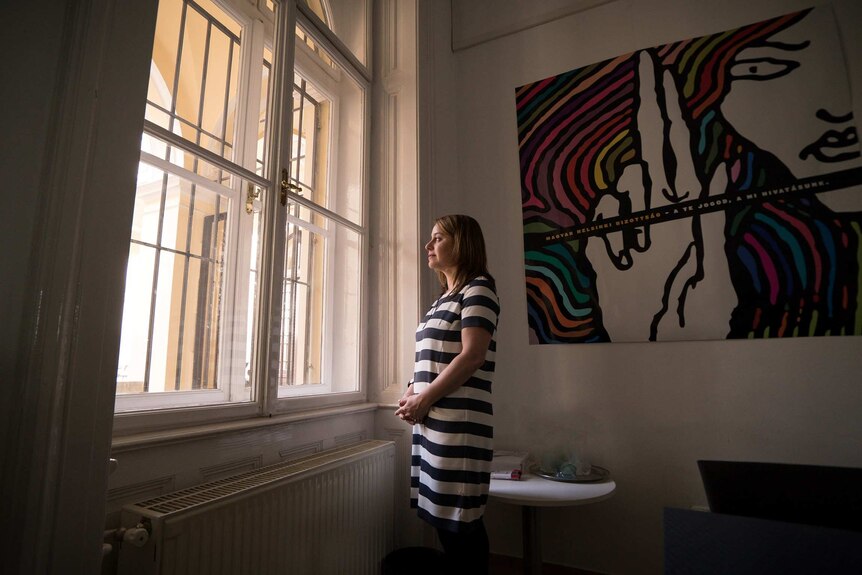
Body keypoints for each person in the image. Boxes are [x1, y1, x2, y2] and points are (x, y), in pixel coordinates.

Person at [395, 214, 500, 574]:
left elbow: (472, 356)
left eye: (438, 238)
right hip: (432, 424)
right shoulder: (442, 299)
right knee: (443, 518)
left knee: (460, 520)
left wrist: (423, 399)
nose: (428, 245)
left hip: (459, 425)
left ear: (463, 243)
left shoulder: (479, 289)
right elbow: (430, 358)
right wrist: (412, 391)